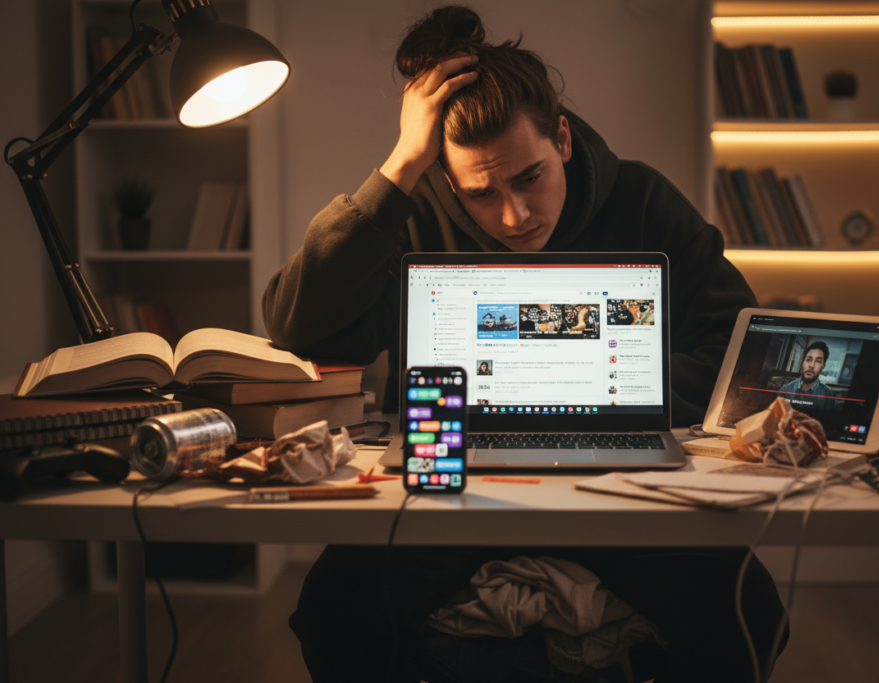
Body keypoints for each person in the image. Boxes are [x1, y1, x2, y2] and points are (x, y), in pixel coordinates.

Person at [264, 7, 784, 682]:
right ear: (448, 180)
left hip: (622, 488)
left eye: (529, 177)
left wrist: (601, 398)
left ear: (562, 139)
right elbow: (295, 326)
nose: (513, 215)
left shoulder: (645, 201)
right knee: (335, 608)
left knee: (751, 611)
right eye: (481, 192)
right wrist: (398, 169)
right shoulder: (411, 217)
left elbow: (737, 350)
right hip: (452, 491)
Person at [778, 341, 839, 414]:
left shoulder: (828, 394)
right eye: (808, 360)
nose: (812, 365)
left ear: (823, 366)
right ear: (803, 361)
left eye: (818, 361)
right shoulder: (785, 390)